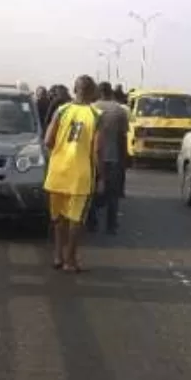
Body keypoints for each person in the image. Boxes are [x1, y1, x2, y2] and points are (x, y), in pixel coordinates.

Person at [43, 75, 102, 273]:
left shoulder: (62, 110)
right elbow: (97, 150)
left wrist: (60, 151)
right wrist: (100, 175)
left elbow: (48, 140)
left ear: (75, 89)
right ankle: (70, 260)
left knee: (58, 217)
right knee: (76, 219)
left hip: (58, 171)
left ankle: (58, 255)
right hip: (81, 174)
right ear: (92, 92)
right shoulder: (96, 115)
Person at [87, 82, 129, 234]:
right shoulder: (119, 110)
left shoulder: (90, 109)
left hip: (91, 157)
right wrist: (124, 159)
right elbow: (122, 137)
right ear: (111, 92)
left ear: (98, 92)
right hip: (112, 157)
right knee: (113, 194)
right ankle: (111, 226)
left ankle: (92, 223)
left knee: (90, 191)